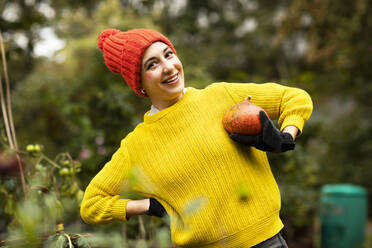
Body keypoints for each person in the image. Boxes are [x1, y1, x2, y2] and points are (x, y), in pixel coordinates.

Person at [80, 28, 313, 248]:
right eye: (152, 64)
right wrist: (147, 206)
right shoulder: (136, 146)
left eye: (168, 54)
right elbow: (91, 204)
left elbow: (294, 98)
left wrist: (285, 137)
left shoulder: (220, 96)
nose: (169, 67)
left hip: (266, 241)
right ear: (139, 83)